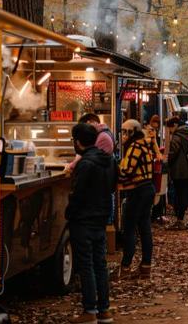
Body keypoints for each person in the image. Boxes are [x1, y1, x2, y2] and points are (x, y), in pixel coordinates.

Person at [66, 123, 115, 324]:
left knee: (86, 265)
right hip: (101, 217)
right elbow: (113, 186)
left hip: (84, 220)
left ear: (78, 142)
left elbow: (79, 194)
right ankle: (104, 309)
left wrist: (70, 212)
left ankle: (90, 310)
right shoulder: (109, 160)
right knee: (100, 264)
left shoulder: (85, 164)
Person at [117, 119, 157, 280]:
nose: (124, 135)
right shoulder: (144, 145)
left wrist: (116, 169)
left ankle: (126, 266)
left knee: (130, 228)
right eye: (123, 132)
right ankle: (145, 266)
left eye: (127, 132)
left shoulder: (135, 147)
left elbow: (127, 170)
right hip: (147, 189)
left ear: (133, 132)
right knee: (144, 227)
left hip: (138, 190)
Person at [166, 116, 188, 230]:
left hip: (180, 170)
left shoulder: (177, 136)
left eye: (169, 128)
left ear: (174, 125)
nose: (169, 131)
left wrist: (167, 160)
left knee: (181, 195)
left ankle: (179, 221)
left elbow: (173, 152)